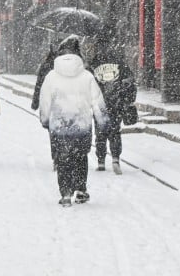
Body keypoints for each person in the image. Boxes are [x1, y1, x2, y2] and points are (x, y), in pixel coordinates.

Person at [37, 35, 109, 207]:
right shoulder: (87, 76)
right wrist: (103, 122)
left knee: (62, 159)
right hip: (82, 126)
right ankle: (81, 189)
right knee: (80, 157)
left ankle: (66, 193)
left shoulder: (51, 77)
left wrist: (45, 120)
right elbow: (98, 102)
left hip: (59, 126)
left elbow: (45, 102)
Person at [84, 33, 133, 175]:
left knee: (100, 133)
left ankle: (100, 161)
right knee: (115, 132)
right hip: (115, 102)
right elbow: (129, 79)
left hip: (99, 103)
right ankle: (116, 159)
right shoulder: (118, 61)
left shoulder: (94, 63)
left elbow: (88, 82)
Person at [30, 38, 80, 170]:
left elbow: (40, 84)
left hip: (55, 105)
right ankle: (68, 156)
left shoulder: (50, 63)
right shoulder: (77, 63)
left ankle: (58, 156)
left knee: (55, 133)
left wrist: (36, 102)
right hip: (70, 104)